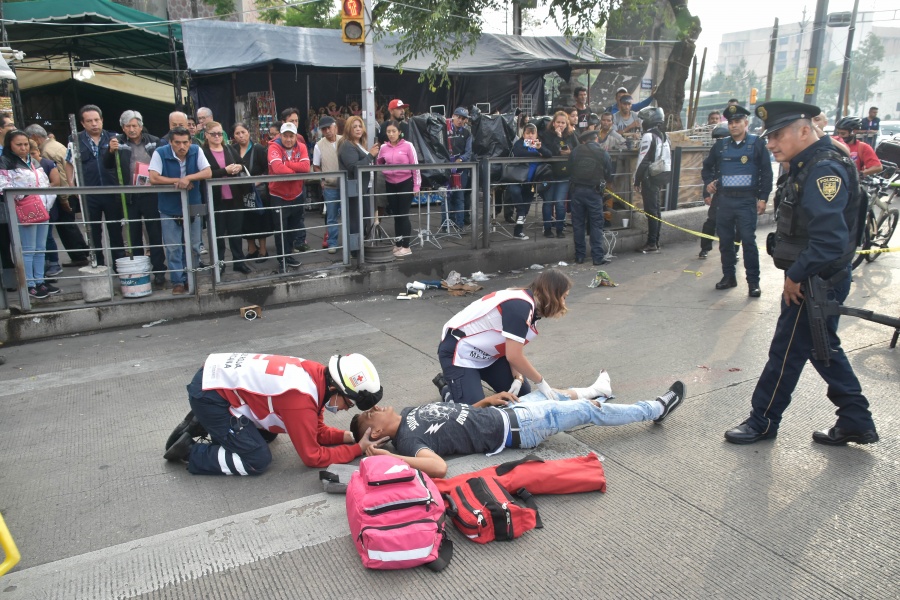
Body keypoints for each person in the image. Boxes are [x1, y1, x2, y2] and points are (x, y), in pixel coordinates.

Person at [724, 101, 876, 447]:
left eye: (778, 135)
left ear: (804, 131)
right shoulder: (809, 163)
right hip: (819, 278)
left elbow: (829, 240)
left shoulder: (822, 170)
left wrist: (797, 276)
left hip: (816, 281)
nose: (772, 143)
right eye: (769, 136)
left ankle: (763, 420)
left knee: (786, 350)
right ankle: (855, 418)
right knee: (823, 349)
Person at [351, 376, 685, 479]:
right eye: (370, 415)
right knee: (586, 411)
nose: (376, 406)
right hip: (520, 428)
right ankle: (655, 408)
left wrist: (485, 401)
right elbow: (437, 467)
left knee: (551, 395)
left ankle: (601, 392)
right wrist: (386, 456)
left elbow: (455, 415)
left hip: (511, 412)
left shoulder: (410, 412)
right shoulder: (409, 440)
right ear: (377, 433)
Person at [163, 353, 386, 474]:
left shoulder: (315, 375)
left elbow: (315, 431)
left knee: (269, 434)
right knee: (256, 460)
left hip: (214, 380)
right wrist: (356, 450)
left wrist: (351, 437)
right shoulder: (300, 400)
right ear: (334, 388)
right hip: (209, 395)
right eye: (349, 403)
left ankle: (208, 421)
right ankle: (191, 451)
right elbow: (312, 457)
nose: (346, 409)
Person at [435, 268, 571, 405]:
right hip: (459, 352)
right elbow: (513, 356)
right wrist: (541, 382)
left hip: (487, 355)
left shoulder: (528, 304)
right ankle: (447, 388)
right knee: (475, 413)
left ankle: (462, 385)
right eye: (564, 297)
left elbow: (511, 346)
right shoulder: (520, 307)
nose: (564, 304)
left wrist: (518, 377)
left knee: (522, 394)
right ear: (552, 294)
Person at [701, 104, 773, 297]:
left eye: (737, 122)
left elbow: (766, 173)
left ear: (746, 123)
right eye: (731, 122)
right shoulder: (721, 145)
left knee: (748, 242)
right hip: (724, 201)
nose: (733, 126)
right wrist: (708, 183)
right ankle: (728, 276)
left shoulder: (756, 144)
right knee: (725, 241)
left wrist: (764, 198)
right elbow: (706, 168)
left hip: (746, 202)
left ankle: (753, 282)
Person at [104, 110, 167, 286]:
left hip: (151, 194)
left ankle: (159, 270)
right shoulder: (118, 142)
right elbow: (107, 165)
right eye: (128, 126)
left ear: (140, 126)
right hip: (129, 196)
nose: (131, 129)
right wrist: (110, 151)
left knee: (154, 234)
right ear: (123, 128)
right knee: (133, 235)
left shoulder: (154, 141)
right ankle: (140, 270)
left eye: (135, 125)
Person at [148, 126, 212, 295]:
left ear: (190, 141)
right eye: (177, 143)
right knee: (173, 247)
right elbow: (153, 177)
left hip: (193, 204)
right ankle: (178, 281)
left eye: (185, 142)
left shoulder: (196, 150)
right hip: (168, 207)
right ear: (171, 142)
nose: (182, 146)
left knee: (195, 246)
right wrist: (179, 180)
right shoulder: (160, 152)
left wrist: (188, 178)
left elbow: (208, 172)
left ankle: (193, 277)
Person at [0, 129, 58, 298]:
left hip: (42, 208)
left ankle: (40, 281)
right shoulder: (5, 162)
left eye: (25, 144)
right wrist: (24, 196)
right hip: (23, 210)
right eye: (19, 145)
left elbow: (45, 183)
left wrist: (46, 201)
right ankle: (30, 284)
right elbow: (4, 187)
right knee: (28, 249)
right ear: (10, 145)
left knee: (40, 248)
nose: (23, 148)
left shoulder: (33, 161)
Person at [24, 124, 90, 268]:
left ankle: (79, 256)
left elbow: (61, 176)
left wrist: (64, 198)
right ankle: (82, 252)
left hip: (63, 193)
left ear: (34, 137)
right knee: (69, 225)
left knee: (65, 226)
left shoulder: (46, 152)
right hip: (68, 191)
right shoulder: (56, 145)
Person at [66, 105, 124, 267]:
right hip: (89, 193)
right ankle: (99, 266)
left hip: (112, 191)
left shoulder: (114, 138)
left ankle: (119, 266)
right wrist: (72, 185)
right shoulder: (75, 140)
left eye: (97, 120)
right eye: (89, 121)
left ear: (102, 120)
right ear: (83, 123)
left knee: (116, 231)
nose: (94, 124)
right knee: (93, 232)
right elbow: (69, 162)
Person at [201, 121, 251, 275]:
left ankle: (239, 262)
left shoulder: (228, 148)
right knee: (218, 234)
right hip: (216, 198)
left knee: (236, 232)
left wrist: (238, 167)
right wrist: (225, 170)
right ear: (207, 135)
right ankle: (219, 263)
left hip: (234, 197)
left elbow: (242, 163)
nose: (217, 137)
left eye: (219, 133)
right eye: (213, 134)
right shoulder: (203, 151)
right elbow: (205, 173)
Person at [267, 122, 311, 270]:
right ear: (280, 135)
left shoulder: (302, 146)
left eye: (291, 136)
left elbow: (306, 167)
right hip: (278, 195)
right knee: (280, 229)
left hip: (296, 194)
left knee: (293, 228)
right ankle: (282, 259)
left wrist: (287, 164)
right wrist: (295, 172)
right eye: (285, 136)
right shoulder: (273, 147)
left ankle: (288, 255)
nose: (288, 139)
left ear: (295, 136)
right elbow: (277, 169)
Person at [569, 129, 614, 265]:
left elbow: (570, 167)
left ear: (584, 140)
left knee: (578, 224)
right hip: (594, 193)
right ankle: (597, 257)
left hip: (577, 191)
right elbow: (609, 174)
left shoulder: (576, 151)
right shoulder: (602, 153)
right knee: (596, 224)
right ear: (596, 139)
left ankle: (580, 256)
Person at [376, 120, 420, 257]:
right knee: (396, 215)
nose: (391, 134)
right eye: (388, 132)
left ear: (399, 132)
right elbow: (378, 162)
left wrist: (416, 185)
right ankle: (398, 243)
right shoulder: (384, 148)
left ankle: (406, 246)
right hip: (390, 183)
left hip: (405, 182)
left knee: (403, 214)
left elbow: (415, 166)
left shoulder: (408, 146)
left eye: (393, 131)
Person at [338, 116, 379, 257]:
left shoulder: (358, 144)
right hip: (354, 189)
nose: (358, 129)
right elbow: (354, 167)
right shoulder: (347, 145)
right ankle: (355, 252)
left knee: (364, 218)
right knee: (356, 219)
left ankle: (359, 248)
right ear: (348, 128)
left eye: (360, 126)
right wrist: (370, 156)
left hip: (363, 188)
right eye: (354, 126)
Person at [633, 106, 671, 254]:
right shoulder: (664, 135)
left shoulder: (649, 136)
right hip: (660, 176)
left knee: (651, 210)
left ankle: (651, 242)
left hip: (650, 178)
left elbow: (643, 160)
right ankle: (655, 240)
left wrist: (637, 180)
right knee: (656, 209)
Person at [232, 122, 271, 264]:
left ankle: (262, 250)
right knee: (245, 220)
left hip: (257, 192)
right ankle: (251, 249)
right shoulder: (233, 149)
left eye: (243, 132)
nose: (241, 136)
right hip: (240, 192)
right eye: (237, 133)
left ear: (249, 132)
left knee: (260, 219)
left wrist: (257, 182)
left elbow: (267, 170)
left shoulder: (258, 148)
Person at [507, 123, 552, 240]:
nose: (530, 136)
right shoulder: (519, 143)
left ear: (536, 134)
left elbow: (549, 154)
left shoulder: (539, 144)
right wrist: (537, 153)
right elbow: (519, 152)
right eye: (528, 133)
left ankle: (518, 231)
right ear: (523, 134)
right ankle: (520, 210)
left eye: (533, 133)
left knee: (526, 208)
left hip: (531, 181)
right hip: (516, 179)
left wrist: (540, 148)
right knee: (515, 193)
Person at [697, 123, 733, 260]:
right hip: (720, 193)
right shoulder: (716, 150)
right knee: (711, 222)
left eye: (723, 138)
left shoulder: (741, 150)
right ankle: (704, 248)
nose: (720, 141)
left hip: (738, 195)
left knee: (735, 225)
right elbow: (707, 170)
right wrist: (707, 191)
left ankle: (733, 251)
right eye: (717, 139)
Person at [540, 111, 578, 238]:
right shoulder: (546, 135)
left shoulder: (571, 135)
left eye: (563, 123)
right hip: (549, 174)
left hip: (564, 174)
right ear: (553, 123)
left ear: (567, 124)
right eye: (558, 122)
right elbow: (550, 151)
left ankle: (560, 229)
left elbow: (576, 150)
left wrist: (568, 150)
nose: (560, 125)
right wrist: (558, 137)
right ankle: (547, 229)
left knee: (560, 203)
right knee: (548, 202)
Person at [312, 116, 342, 255]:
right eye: (324, 129)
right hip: (330, 185)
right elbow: (316, 166)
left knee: (350, 214)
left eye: (329, 127)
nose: (327, 131)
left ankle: (350, 241)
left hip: (346, 184)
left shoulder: (344, 140)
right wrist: (322, 180)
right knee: (331, 216)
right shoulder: (319, 145)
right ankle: (332, 243)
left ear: (335, 126)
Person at [444, 107, 473, 229]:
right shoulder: (444, 130)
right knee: (446, 197)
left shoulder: (467, 133)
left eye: (463, 118)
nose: (460, 120)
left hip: (461, 170)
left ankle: (460, 224)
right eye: (458, 117)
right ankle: (445, 224)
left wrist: (460, 160)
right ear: (453, 116)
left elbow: (468, 152)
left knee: (460, 197)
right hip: (446, 168)